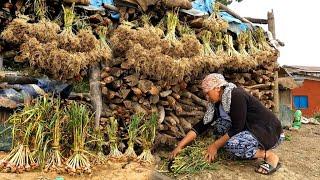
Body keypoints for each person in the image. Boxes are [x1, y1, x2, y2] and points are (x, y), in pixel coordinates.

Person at [169, 73, 283, 175]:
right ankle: (249, 150)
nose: (207, 97)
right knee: (220, 125)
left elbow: (237, 127)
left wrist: (214, 146)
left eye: (208, 93)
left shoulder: (236, 95)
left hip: (269, 131)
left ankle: (268, 155)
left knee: (232, 145)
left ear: (217, 88)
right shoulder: (216, 105)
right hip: (252, 130)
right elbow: (201, 125)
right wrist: (180, 146)